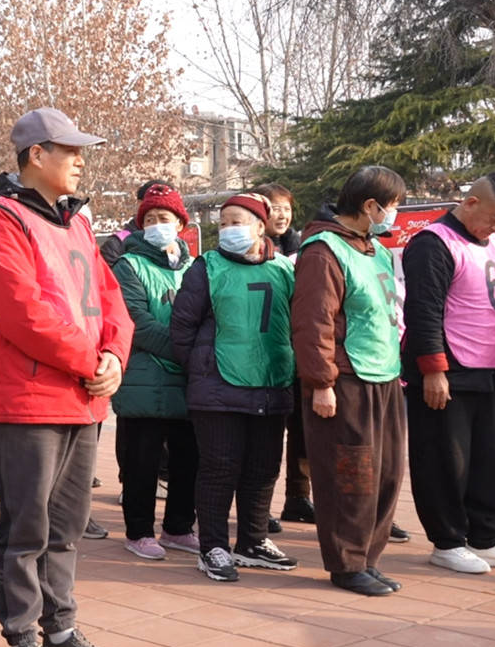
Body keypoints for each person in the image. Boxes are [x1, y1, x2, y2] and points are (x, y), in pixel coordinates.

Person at [0, 108, 134, 647]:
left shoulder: (75, 222)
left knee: (65, 526)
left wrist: (114, 354)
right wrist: (92, 361)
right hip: (28, 398)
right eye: (71, 150)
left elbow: (110, 299)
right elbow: (23, 313)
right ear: (37, 155)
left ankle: (60, 628)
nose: (81, 161)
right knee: (26, 527)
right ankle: (22, 639)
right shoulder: (1, 221)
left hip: (81, 398)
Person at [403, 171, 495, 575]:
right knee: (445, 461)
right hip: (446, 369)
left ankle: (486, 538)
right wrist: (433, 370)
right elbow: (423, 311)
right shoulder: (432, 243)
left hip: (486, 368)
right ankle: (447, 542)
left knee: (490, 460)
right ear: (471, 203)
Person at [291, 165, 408, 596]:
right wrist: (321, 382)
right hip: (346, 380)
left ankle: (368, 558)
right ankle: (346, 563)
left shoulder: (375, 249)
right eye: (392, 206)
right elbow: (313, 323)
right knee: (352, 476)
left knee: (387, 473)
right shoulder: (323, 251)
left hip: (385, 375)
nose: (394, 214)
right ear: (370, 206)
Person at [170, 193, 298, 582]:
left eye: (236, 222)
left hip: (272, 383)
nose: (228, 229)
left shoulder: (284, 268)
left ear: (260, 226)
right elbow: (182, 328)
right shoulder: (206, 267)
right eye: (223, 223)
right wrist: (202, 369)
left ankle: (252, 541)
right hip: (218, 389)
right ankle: (213, 546)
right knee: (219, 468)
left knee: (263, 468)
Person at [110, 184, 198, 561]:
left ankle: (179, 527)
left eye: (164, 218)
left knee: (187, 458)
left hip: (186, 380)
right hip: (144, 379)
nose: (157, 224)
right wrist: (188, 351)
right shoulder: (128, 265)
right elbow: (138, 323)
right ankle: (139, 531)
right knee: (141, 460)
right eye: (149, 219)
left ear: (180, 224)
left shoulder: (196, 267)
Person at [254, 181, 312, 528]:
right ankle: (258, 507)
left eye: (286, 208)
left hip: (298, 351)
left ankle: (299, 498)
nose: (282, 215)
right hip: (264, 354)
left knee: (303, 430)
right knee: (267, 434)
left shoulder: (304, 249)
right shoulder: (250, 249)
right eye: (274, 208)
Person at [100, 179, 176, 265]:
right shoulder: (116, 246)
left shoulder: (179, 246)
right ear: (140, 205)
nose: (160, 210)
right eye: (154, 204)